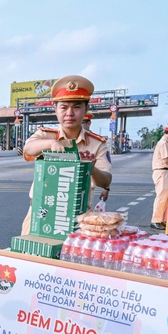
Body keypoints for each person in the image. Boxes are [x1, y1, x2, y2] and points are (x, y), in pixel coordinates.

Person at [21, 75, 112, 236]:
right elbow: (28, 148)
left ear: (86, 109)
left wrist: (91, 169)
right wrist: (51, 144)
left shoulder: (97, 143)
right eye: (63, 107)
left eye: (76, 107)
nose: (69, 113)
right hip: (41, 214)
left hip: (78, 220)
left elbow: (106, 180)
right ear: (55, 109)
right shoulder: (45, 135)